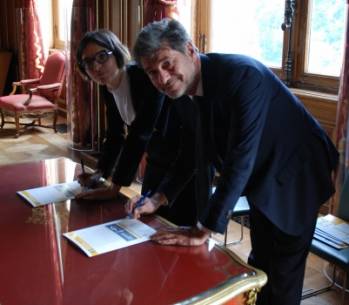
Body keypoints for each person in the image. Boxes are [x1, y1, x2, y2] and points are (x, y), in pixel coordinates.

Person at [126, 19, 339, 305]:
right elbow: (192, 151)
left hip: (298, 173)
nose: (162, 79)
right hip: (264, 174)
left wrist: (203, 229)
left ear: (190, 50)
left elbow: (241, 159)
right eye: (153, 72)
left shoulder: (242, 76)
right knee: (260, 263)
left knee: (282, 274)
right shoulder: (184, 88)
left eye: (167, 64)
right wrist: (158, 198)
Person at [75, 29, 164, 200]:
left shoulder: (143, 76)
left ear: (116, 52)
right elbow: (115, 134)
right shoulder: (107, 85)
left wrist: (114, 188)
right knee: (152, 216)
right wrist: (100, 173)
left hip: (185, 155)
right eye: (88, 62)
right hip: (157, 155)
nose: (96, 67)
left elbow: (140, 133)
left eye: (102, 57)